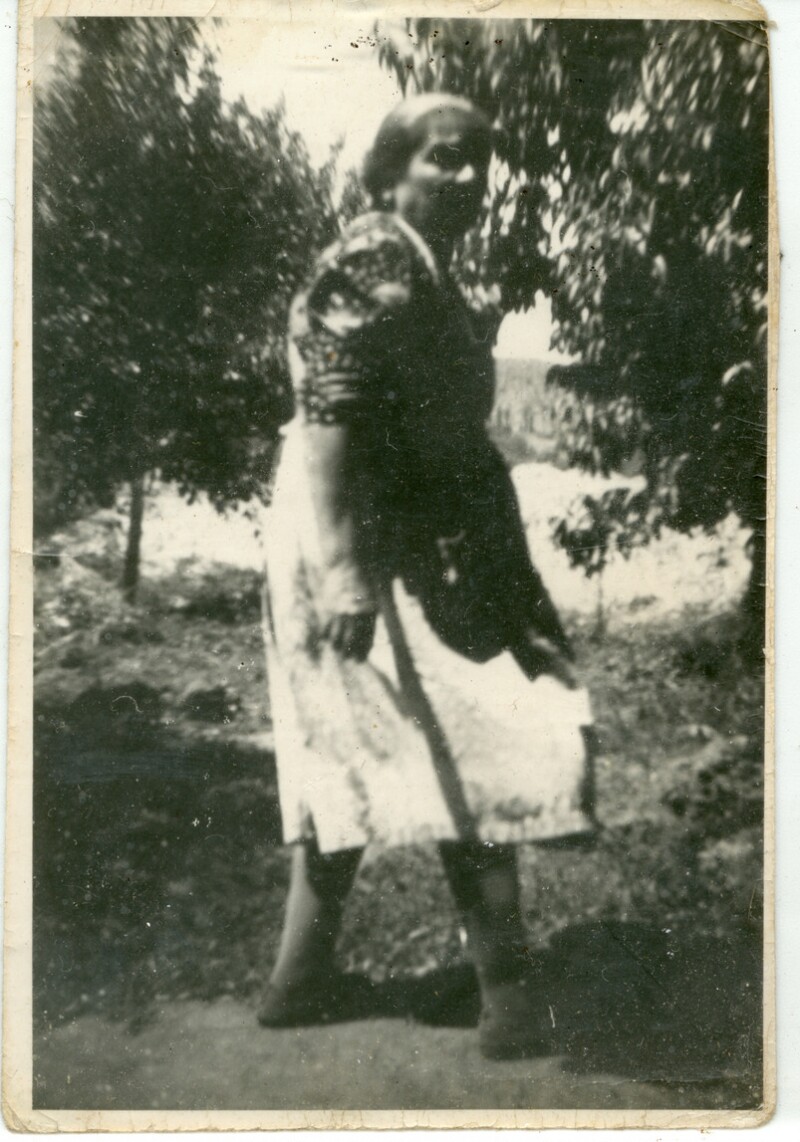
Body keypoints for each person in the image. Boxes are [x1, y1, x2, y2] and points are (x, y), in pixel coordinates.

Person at [259, 94, 595, 1059]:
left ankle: (298, 982)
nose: (469, 176)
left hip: (406, 533)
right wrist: (343, 574)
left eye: (479, 160)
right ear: (390, 170)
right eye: (445, 157)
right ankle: (511, 1003)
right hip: (366, 539)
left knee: (359, 742)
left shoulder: (416, 261)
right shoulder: (376, 257)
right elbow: (329, 418)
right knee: (470, 742)